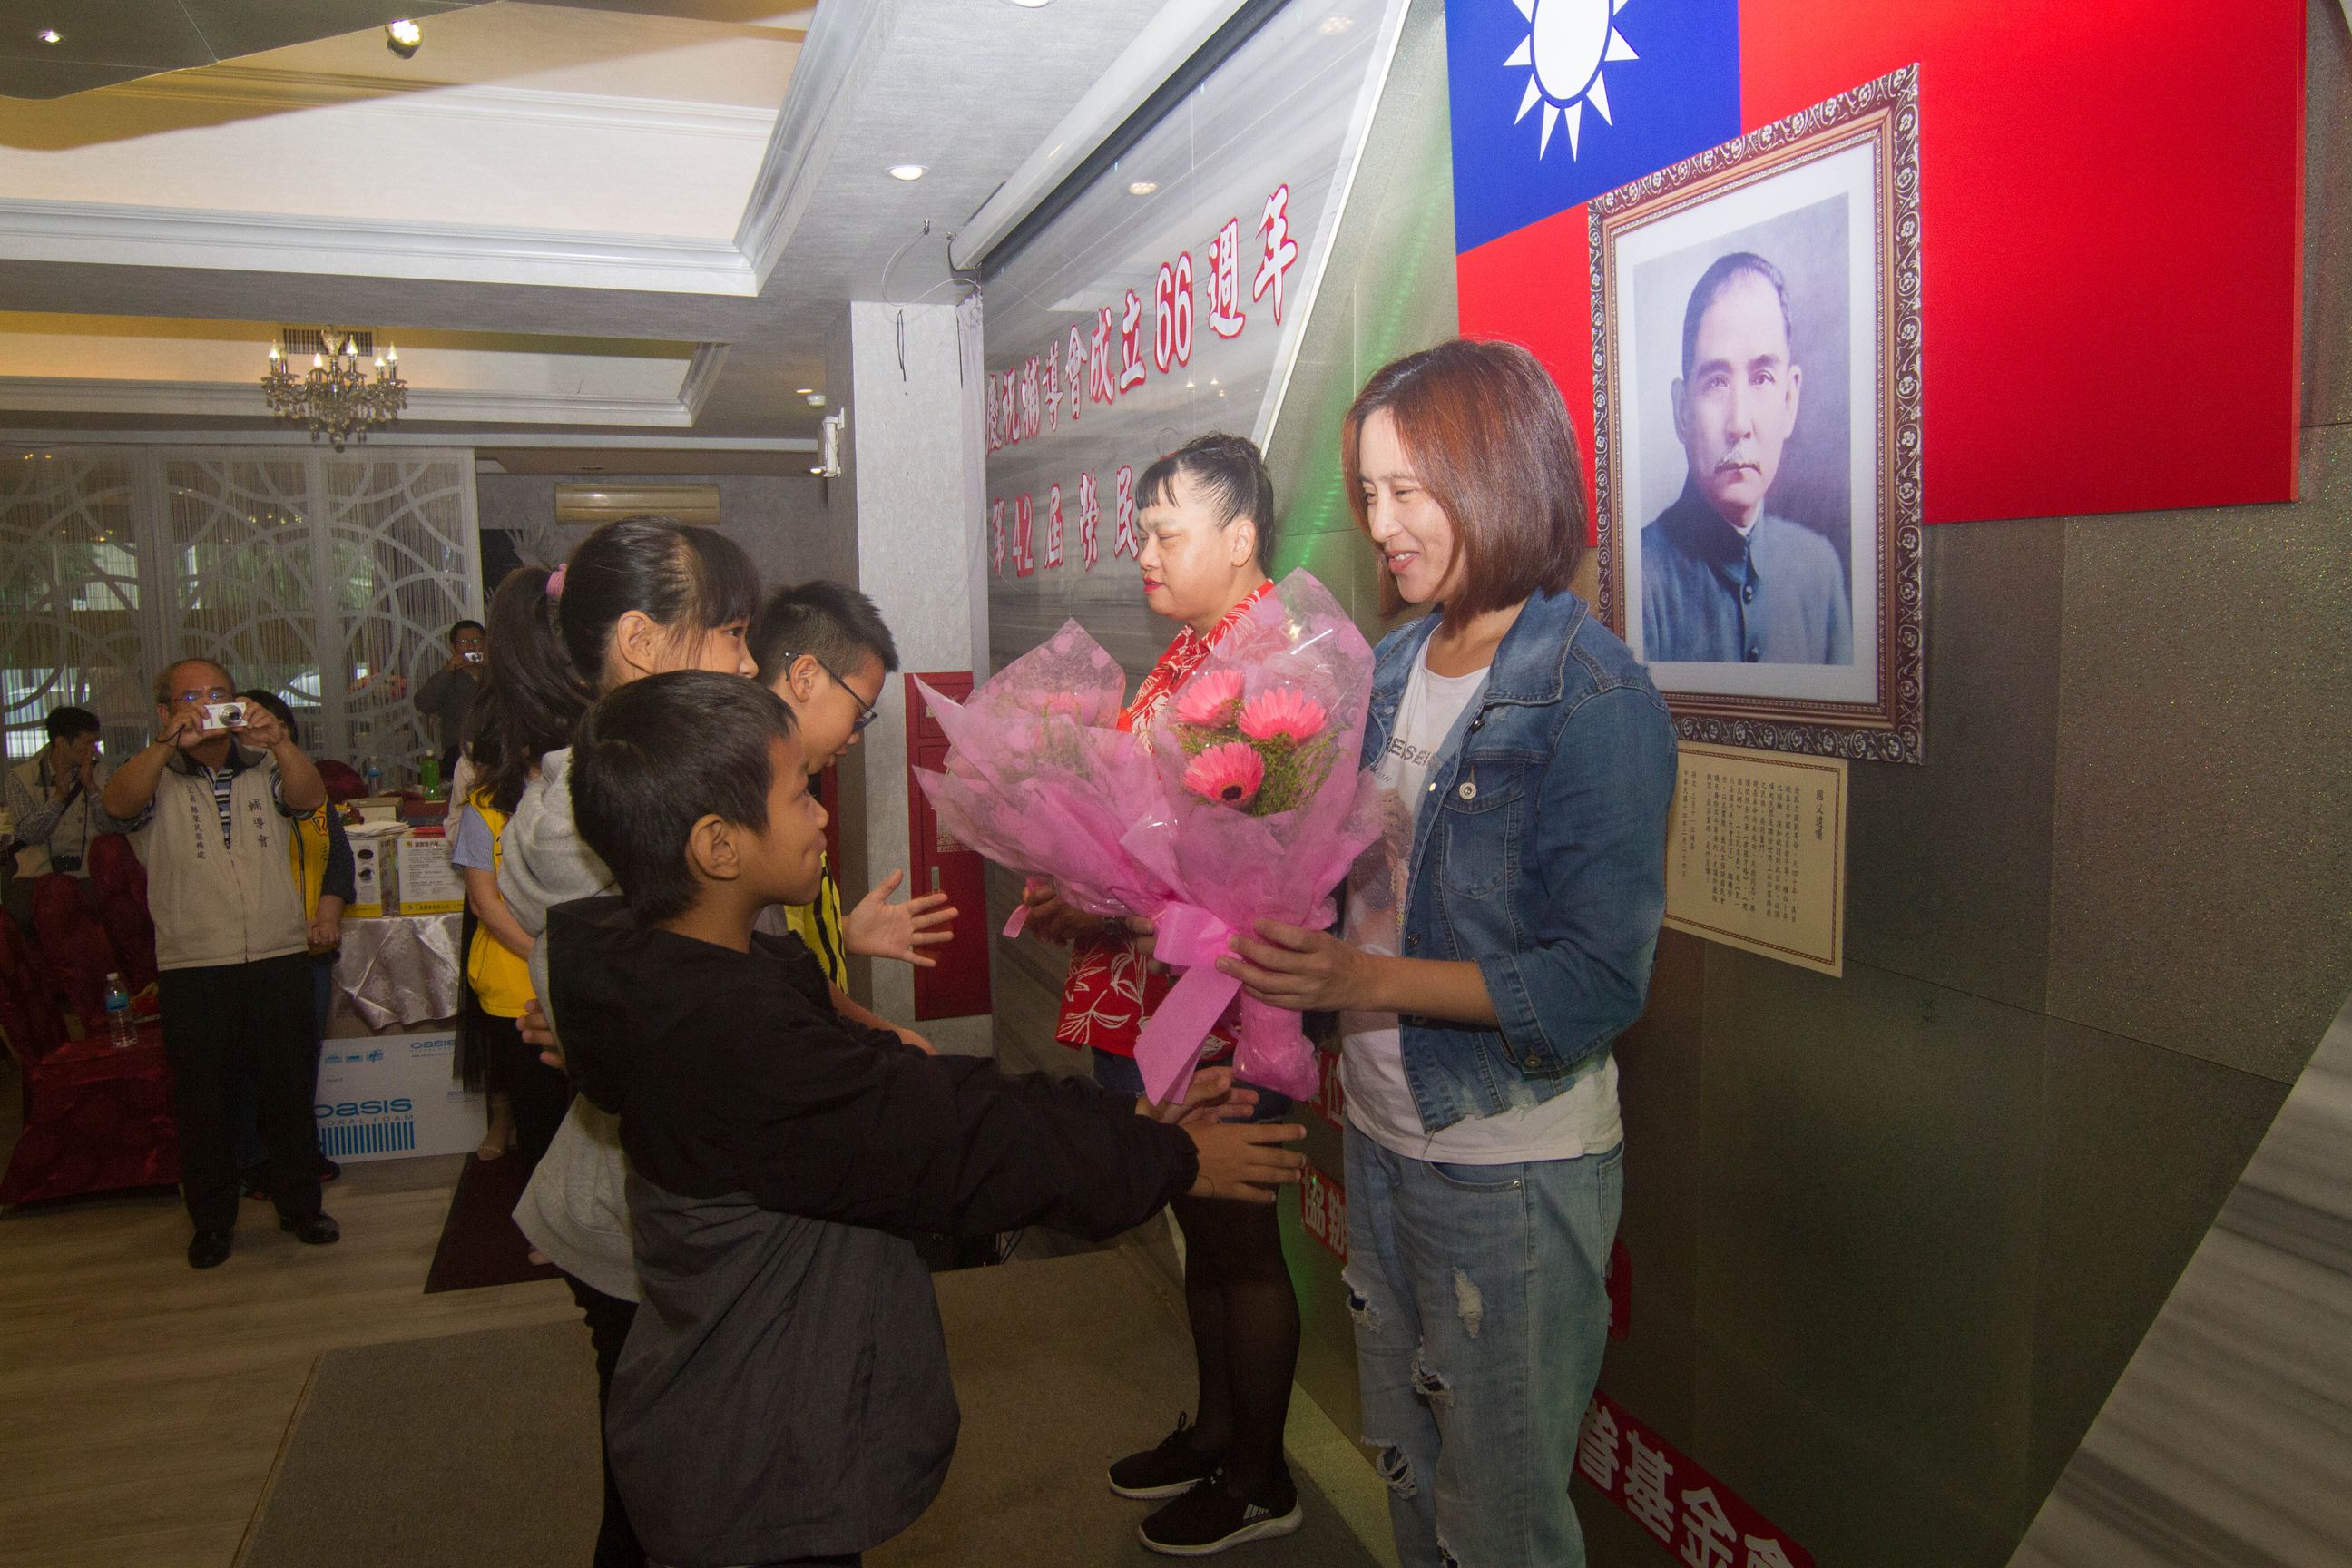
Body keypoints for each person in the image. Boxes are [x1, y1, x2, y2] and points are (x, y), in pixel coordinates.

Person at [548, 670, 1308, 1568]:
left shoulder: (690, 979)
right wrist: (1172, 1159)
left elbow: (921, 1104)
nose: (823, 817)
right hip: (757, 1459)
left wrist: (1136, 1125)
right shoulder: (732, 1032)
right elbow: (956, 1140)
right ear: (718, 845)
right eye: (800, 796)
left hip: (731, 1423)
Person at [1219, 340, 1678, 1568]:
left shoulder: (1593, 695)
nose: (1382, 526)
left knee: (1503, 1517)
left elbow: (1597, 983)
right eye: (1368, 496)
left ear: (1499, 473)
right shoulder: (1390, 668)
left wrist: (1361, 984)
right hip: (1380, 1133)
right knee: (1411, 1478)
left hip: (1510, 1162)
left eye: (1409, 491)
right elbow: (1348, 892)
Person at [1020, 432, 1308, 1555]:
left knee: (1239, 1239)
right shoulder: (1189, 656)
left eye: (1165, 532)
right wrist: (1086, 896)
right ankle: (1218, 1433)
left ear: (1240, 540)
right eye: (1139, 531)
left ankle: (1261, 1473)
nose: (1142, 550)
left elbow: (1265, 866)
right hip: (1161, 991)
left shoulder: (1285, 667)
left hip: (1233, 1004)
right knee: (1194, 1214)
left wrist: (1130, 905)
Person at [495, 515, 763, 1568]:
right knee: (665, 1493)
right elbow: (698, 999)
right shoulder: (588, 810)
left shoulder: (649, 780)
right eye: (732, 633)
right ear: (647, 646)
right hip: (642, 1205)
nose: (749, 662)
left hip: (675, 1181)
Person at [101, 659, 341, 1270]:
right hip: (194, 961)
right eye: (191, 697)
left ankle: (301, 1207)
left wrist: (280, 741)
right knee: (202, 1101)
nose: (207, 706)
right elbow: (115, 803)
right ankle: (212, 1222)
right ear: (165, 710)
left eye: (218, 695)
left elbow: (312, 801)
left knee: (288, 1090)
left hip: (278, 949)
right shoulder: (155, 776)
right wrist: (165, 744)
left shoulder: (263, 763)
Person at [747, 581, 956, 1004]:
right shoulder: (751, 805)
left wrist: (841, 932)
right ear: (804, 677)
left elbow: (780, 944)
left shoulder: (784, 787)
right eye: (858, 714)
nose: (855, 736)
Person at [1641, 251, 1851, 665]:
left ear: (1789, 400)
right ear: (1682, 411)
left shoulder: (1818, 569)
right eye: (1716, 382)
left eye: (1761, 379)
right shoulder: (1641, 576)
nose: (1739, 423)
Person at [227, 689, 353, 1195]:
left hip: (310, 948)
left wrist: (325, 918)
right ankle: (251, 1157)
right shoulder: (231, 789)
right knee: (245, 1060)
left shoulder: (307, 791)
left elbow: (339, 861)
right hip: (248, 945)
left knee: (300, 1057)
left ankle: (299, 1150)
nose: (264, 732)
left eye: (275, 725)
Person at [5, 705, 133, 925]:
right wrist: (58, 797)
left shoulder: (104, 772)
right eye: (87, 743)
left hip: (90, 880)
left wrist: (92, 788)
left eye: (96, 742)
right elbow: (29, 834)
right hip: (37, 881)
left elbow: (110, 827)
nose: (93, 750)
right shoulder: (21, 777)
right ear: (62, 742)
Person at [416, 618, 489, 779]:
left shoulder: (496, 675)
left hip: (495, 749)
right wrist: (448, 669)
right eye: (464, 641)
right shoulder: (448, 677)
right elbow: (423, 704)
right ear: (453, 647)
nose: (471, 646)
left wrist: (493, 668)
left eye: (476, 641)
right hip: (459, 752)